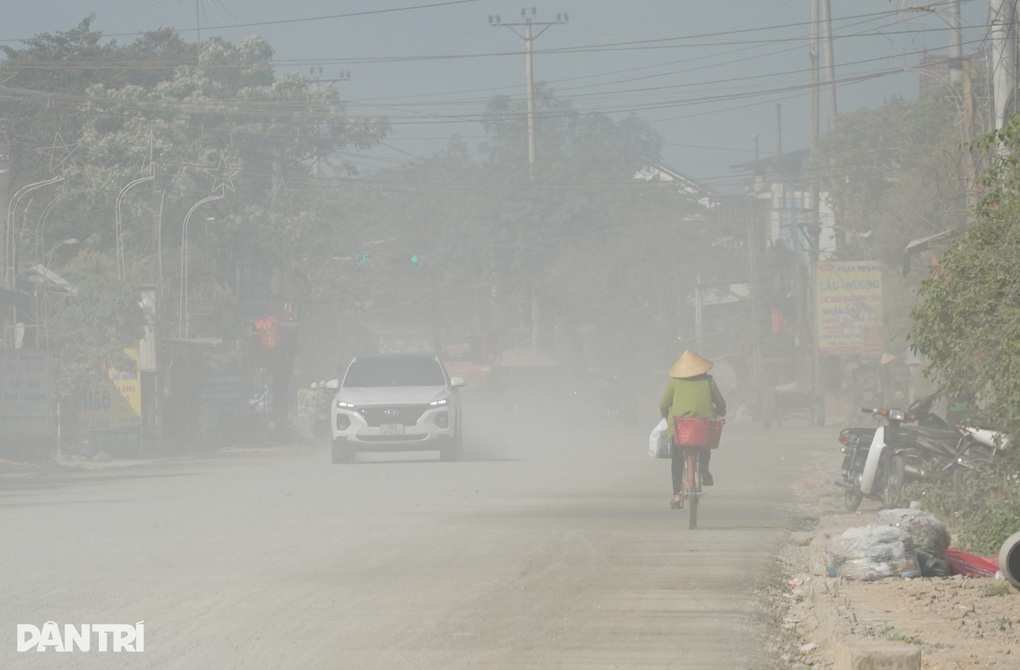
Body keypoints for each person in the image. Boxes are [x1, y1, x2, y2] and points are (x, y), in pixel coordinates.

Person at [659, 350, 726, 508]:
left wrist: (664, 416)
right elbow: (720, 403)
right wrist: (721, 411)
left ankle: (676, 496)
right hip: (701, 426)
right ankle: (703, 464)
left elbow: (663, 404)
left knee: (676, 459)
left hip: (679, 427)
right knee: (704, 443)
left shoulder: (675, 382)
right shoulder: (708, 381)